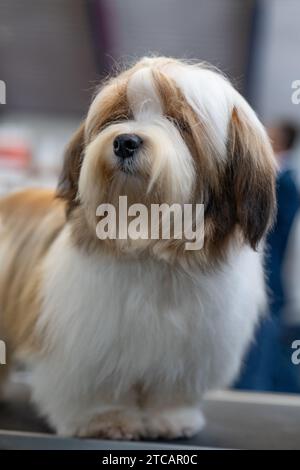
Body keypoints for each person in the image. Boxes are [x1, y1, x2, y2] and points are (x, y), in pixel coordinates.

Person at [235, 122, 300, 392]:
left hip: (268, 275)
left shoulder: (282, 181)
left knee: (261, 341)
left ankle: (253, 391)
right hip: (259, 274)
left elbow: (273, 233)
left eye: (271, 134)